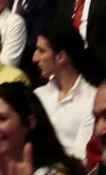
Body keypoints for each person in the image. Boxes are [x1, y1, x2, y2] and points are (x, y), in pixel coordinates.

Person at [31, 27, 96, 164]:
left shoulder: (92, 100)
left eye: (41, 51)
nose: (35, 58)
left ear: (61, 57)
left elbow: (81, 159)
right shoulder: (38, 95)